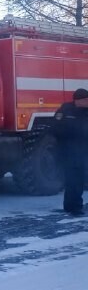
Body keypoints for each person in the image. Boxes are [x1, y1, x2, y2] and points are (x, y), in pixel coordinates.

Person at [53, 88, 88, 216]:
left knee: (79, 179)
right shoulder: (65, 110)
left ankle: (75, 206)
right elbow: (55, 128)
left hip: (83, 151)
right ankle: (72, 207)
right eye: (85, 99)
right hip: (68, 151)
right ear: (78, 100)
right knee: (72, 180)